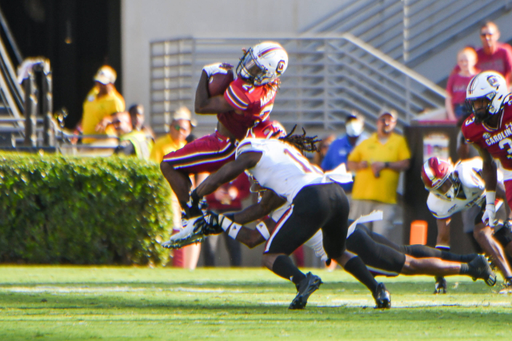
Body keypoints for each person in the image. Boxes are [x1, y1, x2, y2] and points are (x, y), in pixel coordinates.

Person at [164, 121, 392, 309]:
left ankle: (303, 280)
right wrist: (219, 221)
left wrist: (194, 196)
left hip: (311, 198)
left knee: (270, 256)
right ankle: (377, 289)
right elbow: (261, 209)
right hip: (335, 193)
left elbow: (218, 178)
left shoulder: (250, 149)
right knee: (338, 252)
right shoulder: (284, 156)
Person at [159, 41, 289, 229]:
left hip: (225, 145)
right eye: (250, 61)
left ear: (268, 75)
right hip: (232, 138)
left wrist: (205, 73)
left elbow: (200, 106)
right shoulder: (270, 85)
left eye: (256, 68)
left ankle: (193, 215)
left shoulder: (246, 95)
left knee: (168, 164)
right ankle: (194, 210)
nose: (248, 69)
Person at [421, 156, 512, 293]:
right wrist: (440, 278)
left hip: (502, 190)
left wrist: (510, 220)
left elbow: (506, 194)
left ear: (452, 174)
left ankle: (510, 280)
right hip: (485, 201)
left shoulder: (468, 174)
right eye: (439, 189)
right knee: (488, 234)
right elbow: (443, 240)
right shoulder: (437, 203)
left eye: (446, 184)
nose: (445, 191)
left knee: (496, 234)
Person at [461, 71, 512, 292]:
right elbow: (488, 165)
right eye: (475, 102)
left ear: (498, 96)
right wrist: (490, 204)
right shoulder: (473, 128)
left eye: (482, 101)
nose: (477, 107)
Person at [347, 109, 411, 243]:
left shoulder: (399, 142)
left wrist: (386, 165)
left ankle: (375, 264)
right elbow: (350, 163)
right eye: (383, 119)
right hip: (361, 198)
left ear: (394, 123)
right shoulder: (366, 142)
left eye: (390, 120)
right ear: (377, 122)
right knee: (358, 238)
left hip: (385, 200)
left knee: (380, 238)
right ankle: (359, 264)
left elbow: (406, 163)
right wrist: (360, 166)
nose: (386, 123)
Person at [150, 106, 199, 269]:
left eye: (184, 128)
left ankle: (187, 268)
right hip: (168, 195)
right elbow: (153, 169)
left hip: (185, 197)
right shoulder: (161, 145)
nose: (180, 131)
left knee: (190, 230)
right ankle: (178, 267)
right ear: (171, 126)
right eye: (177, 127)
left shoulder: (187, 146)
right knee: (176, 228)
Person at [203, 173, 251, 266]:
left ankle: (236, 274)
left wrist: (236, 193)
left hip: (232, 211)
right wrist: (214, 194)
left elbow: (246, 191)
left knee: (234, 245)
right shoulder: (212, 169)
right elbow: (201, 190)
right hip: (214, 211)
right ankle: (208, 273)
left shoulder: (240, 169)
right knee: (210, 246)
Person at [321, 113, 368, 194]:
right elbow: (325, 168)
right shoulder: (336, 144)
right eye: (350, 122)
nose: (353, 124)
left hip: (363, 195)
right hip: (338, 193)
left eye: (356, 122)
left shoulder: (369, 143)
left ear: (362, 124)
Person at [79, 65, 125, 145]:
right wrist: (78, 129)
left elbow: (120, 117)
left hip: (103, 142)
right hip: (87, 141)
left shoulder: (115, 100)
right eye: (98, 81)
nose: (100, 85)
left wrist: (108, 120)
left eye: (103, 83)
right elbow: (87, 114)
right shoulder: (93, 92)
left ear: (111, 83)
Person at [445, 47, 479, 122]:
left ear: (474, 61)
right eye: (461, 61)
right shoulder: (454, 78)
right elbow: (448, 98)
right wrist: (451, 116)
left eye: (466, 61)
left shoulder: (479, 77)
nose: (464, 63)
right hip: (459, 108)